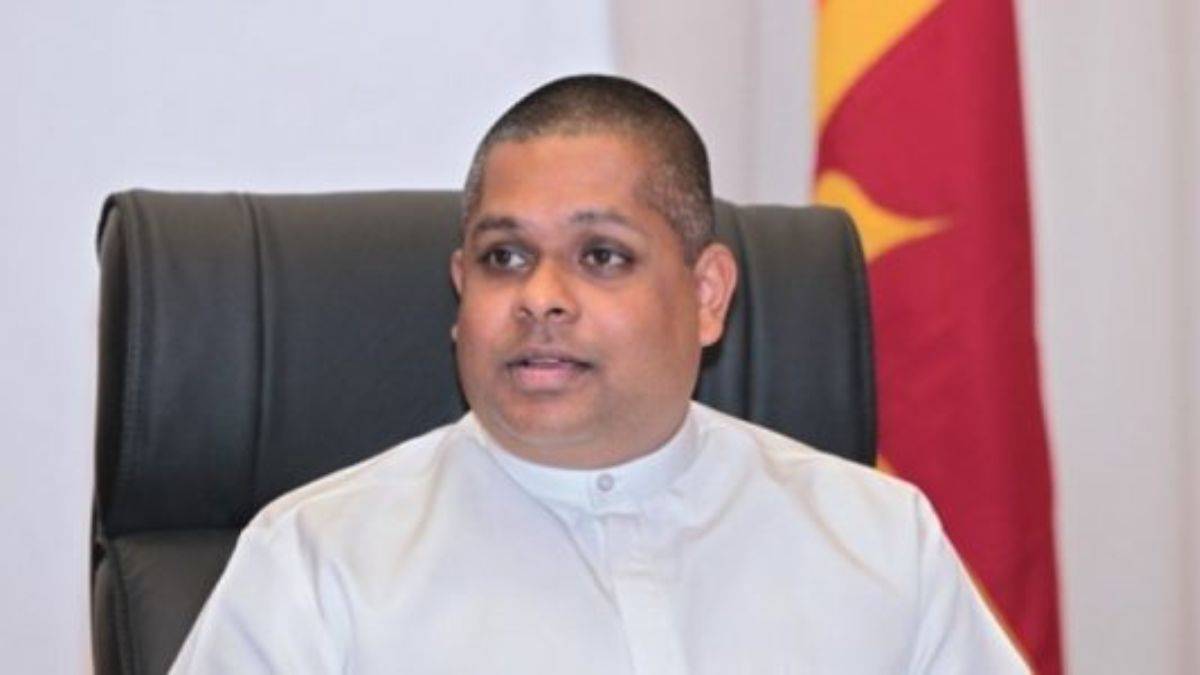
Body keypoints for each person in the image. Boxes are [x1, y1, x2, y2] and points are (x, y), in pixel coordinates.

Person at [170, 75, 1028, 674]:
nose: (540, 297)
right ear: (462, 291)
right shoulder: (315, 561)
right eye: (505, 256)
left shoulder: (878, 541)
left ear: (707, 294)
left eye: (602, 256)